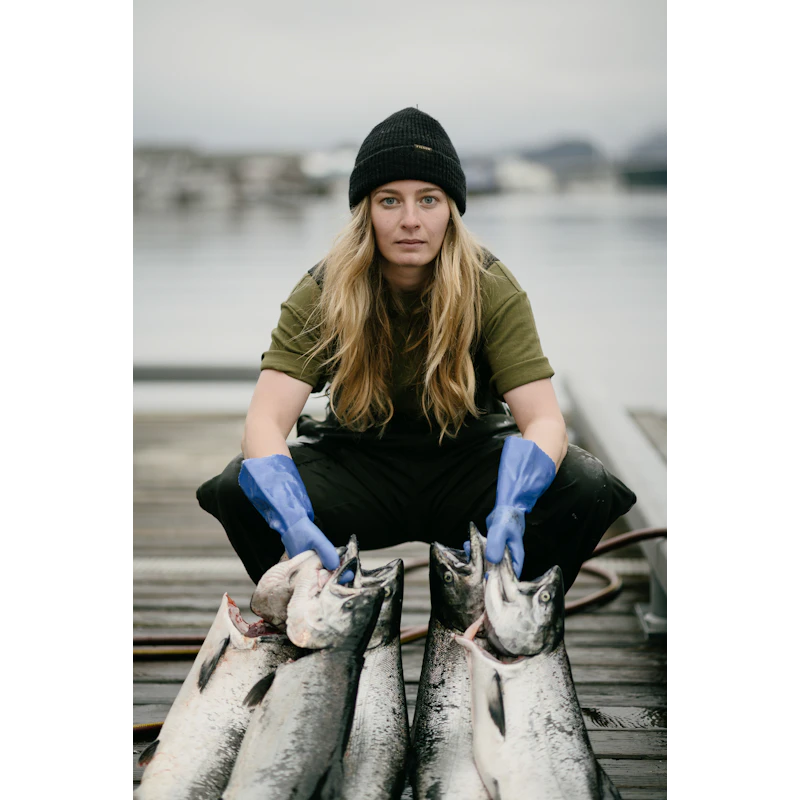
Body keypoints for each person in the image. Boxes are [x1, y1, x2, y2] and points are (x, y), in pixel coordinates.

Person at [196, 107, 636, 592]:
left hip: (467, 468)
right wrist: (291, 519)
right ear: (366, 210)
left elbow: (545, 420)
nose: (410, 220)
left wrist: (513, 504)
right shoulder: (323, 290)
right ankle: (312, 618)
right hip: (358, 468)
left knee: (586, 483)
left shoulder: (491, 286)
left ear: (451, 208)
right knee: (238, 485)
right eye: (390, 201)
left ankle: (509, 622)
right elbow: (263, 422)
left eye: (428, 199)